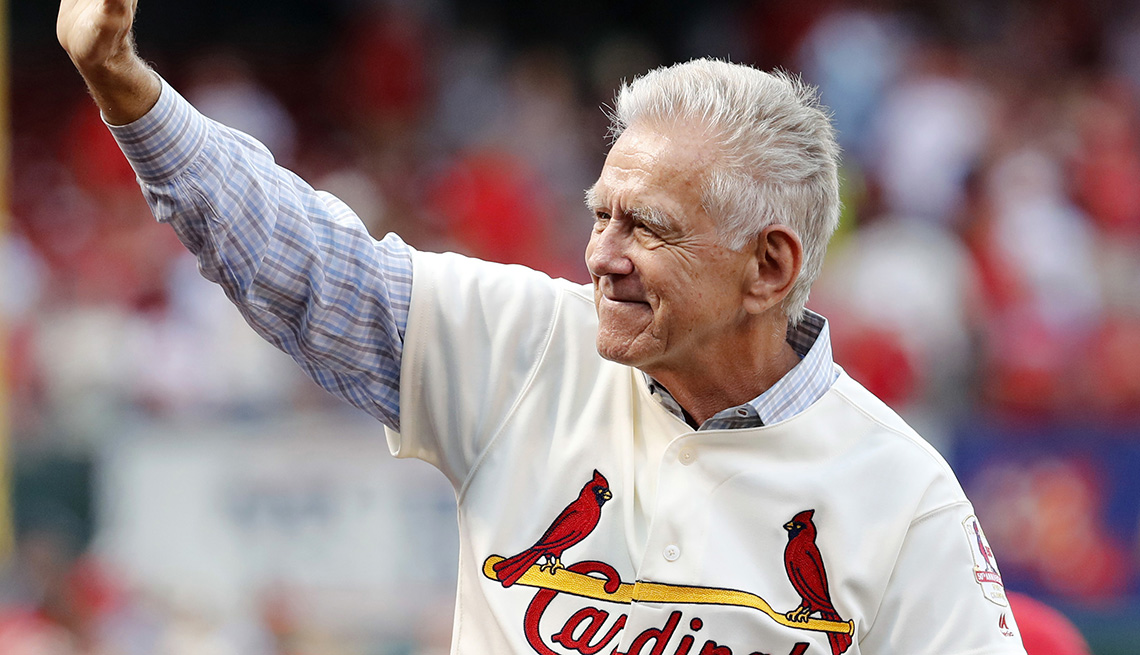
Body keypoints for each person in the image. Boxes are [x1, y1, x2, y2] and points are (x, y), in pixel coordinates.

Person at [57, 1, 1028, 653]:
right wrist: (127, 91)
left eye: (646, 226)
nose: (601, 252)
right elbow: (306, 267)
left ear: (767, 267)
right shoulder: (527, 343)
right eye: (600, 212)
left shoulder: (904, 499)